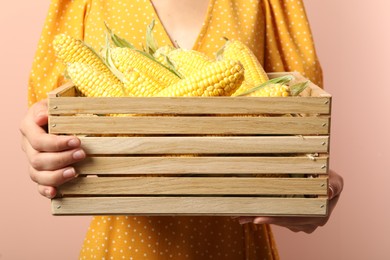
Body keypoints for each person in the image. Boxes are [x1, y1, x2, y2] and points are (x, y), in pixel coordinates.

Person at [20, 0, 344, 259]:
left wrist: (313, 188)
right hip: (121, 246)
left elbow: (295, 120)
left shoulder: (272, 2)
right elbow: (52, 119)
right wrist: (37, 143)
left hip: (237, 246)